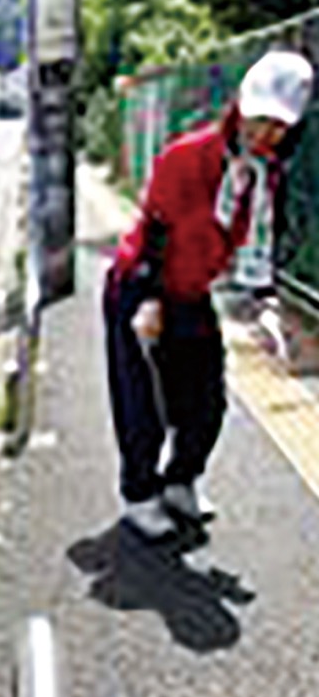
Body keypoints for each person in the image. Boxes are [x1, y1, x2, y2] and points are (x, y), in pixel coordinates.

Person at [104, 50, 314, 539]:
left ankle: (181, 482)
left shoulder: (265, 175)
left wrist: (264, 308)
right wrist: (150, 300)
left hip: (192, 290)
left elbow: (257, 245)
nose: (266, 134)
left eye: (279, 127)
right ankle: (140, 496)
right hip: (142, 284)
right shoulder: (189, 156)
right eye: (261, 120)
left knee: (207, 398)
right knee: (144, 400)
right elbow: (156, 227)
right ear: (241, 107)